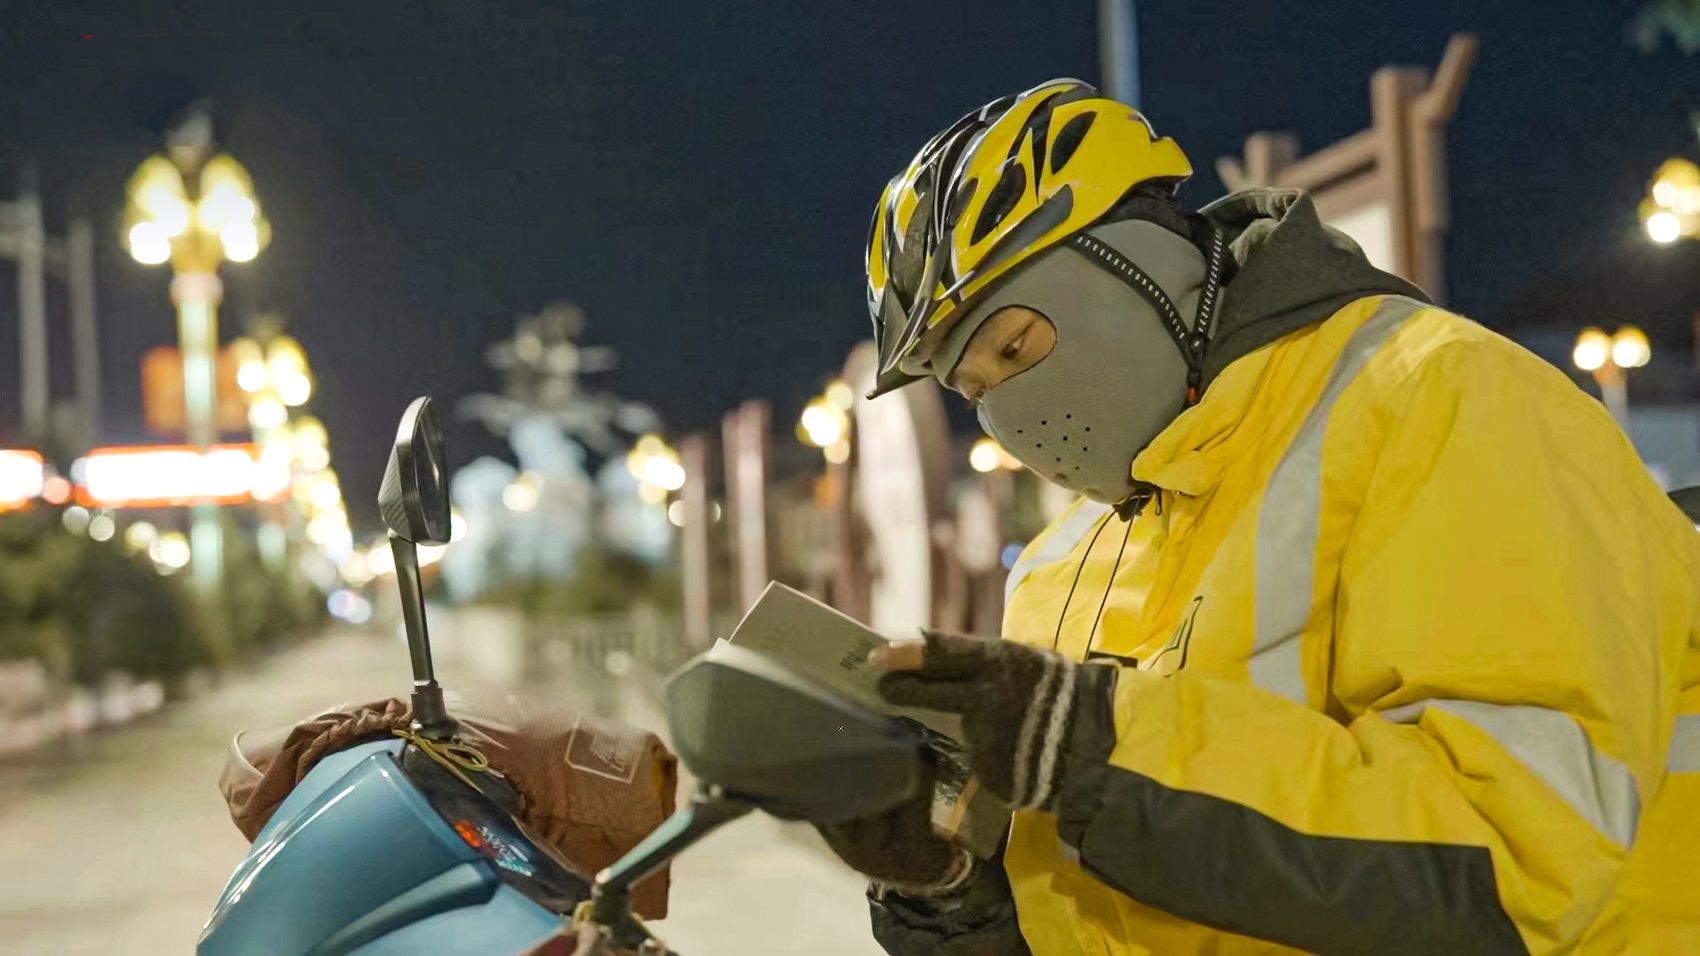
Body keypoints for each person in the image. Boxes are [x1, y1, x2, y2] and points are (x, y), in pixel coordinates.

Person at [815, 78, 1700, 956]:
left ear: (1139, 269)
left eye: (1015, 346)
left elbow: (1510, 859)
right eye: (973, 390)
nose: (1010, 415)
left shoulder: (1445, 402)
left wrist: (1096, 749)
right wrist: (955, 896)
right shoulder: (1060, 566)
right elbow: (1112, 916)